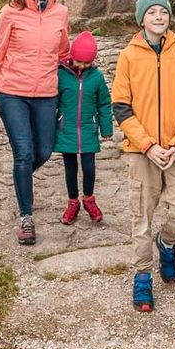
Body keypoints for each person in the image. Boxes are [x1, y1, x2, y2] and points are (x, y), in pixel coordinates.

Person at [111, 0, 175, 313]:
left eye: (163, 12)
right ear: (141, 19)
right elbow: (121, 107)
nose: (159, 17)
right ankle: (142, 275)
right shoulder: (128, 56)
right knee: (142, 216)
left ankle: (167, 243)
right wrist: (148, 145)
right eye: (151, 12)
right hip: (142, 151)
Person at [0, 0, 70, 245]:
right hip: (12, 92)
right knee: (23, 152)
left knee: (43, 150)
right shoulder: (10, 13)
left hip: (46, 93)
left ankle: (21, 180)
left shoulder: (61, 13)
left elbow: (64, 52)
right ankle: (26, 217)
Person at [54, 30, 114, 225]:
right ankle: (73, 202)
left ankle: (88, 198)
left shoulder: (96, 78)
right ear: (72, 57)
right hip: (67, 130)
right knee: (70, 168)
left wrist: (106, 128)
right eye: (79, 61)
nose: (82, 66)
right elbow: (52, 102)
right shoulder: (61, 75)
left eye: (87, 63)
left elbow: (104, 103)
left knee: (89, 167)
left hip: (88, 129)